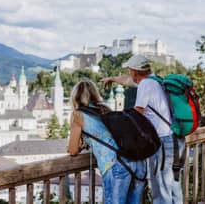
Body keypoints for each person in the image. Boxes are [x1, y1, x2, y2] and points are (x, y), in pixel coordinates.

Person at [102, 54, 185, 204]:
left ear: (134, 71)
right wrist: (112, 79)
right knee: (174, 187)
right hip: (175, 139)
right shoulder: (155, 80)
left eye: (129, 71)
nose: (129, 74)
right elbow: (128, 81)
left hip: (163, 142)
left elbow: (136, 115)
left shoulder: (145, 85)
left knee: (161, 191)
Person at [67, 80, 146, 204]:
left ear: (75, 97)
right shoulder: (106, 108)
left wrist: (82, 145)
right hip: (136, 162)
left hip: (115, 164)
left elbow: (72, 150)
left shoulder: (78, 115)